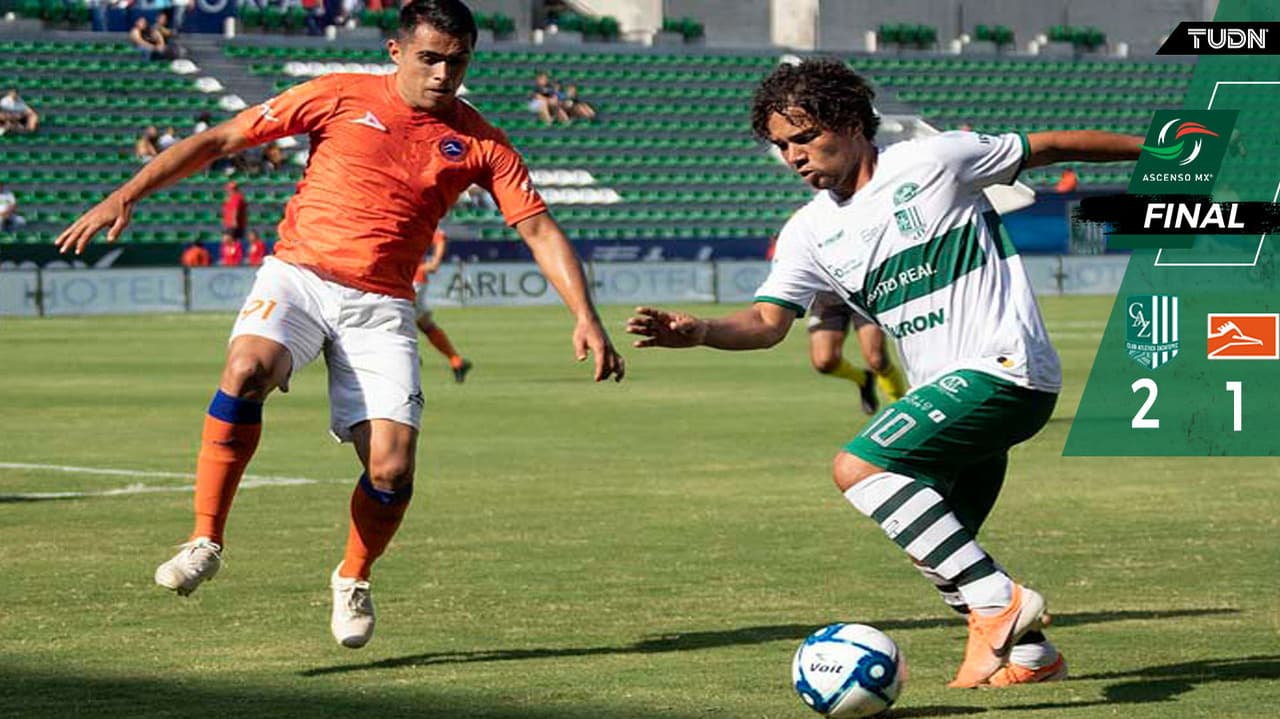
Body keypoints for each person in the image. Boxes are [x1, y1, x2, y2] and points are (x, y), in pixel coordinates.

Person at [56, 0, 624, 651]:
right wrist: (127, 192)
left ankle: (353, 574)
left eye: (457, 61)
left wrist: (585, 315)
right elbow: (222, 139)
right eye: (429, 58)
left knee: (391, 468)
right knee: (246, 368)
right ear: (396, 51)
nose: (443, 73)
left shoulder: (482, 142)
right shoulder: (337, 95)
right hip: (299, 276)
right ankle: (205, 538)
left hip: (382, 305)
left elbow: (539, 229)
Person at [626, 59, 1140, 689]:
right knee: (939, 547)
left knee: (859, 468)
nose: (793, 156)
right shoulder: (809, 231)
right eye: (782, 146)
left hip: (1004, 369)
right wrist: (702, 331)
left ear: (850, 123)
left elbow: (1051, 146)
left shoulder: (934, 161)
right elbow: (766, 321)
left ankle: (1000, 604)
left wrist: (1163, 153)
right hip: (946, 393)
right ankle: (1033, 657)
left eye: (805, 137)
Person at [768, 234, 907, 414]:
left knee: (876, 359)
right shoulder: (805, 225)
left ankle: (900, 405)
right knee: (824, 362)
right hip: (827, 295)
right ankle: (863, 379)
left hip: (861, 288)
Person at [413, 229, 471, 382]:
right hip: (407, 278)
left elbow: (439, 237)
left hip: (409, 279)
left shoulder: (404, 219)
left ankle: (409, 357)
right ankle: (457, 361)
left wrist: (435, 262)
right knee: (423, 323)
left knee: (396, 319)